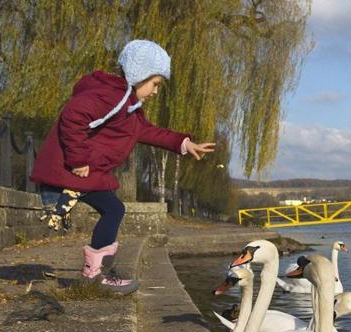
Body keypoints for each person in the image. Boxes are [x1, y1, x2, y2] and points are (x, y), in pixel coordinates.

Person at [31, 39, 215, 294]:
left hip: (86, 173)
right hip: (74, 170)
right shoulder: (112, 96)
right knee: (114, 209)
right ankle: (95, 273)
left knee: (114, 208)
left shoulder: (129, 106)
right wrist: (78, 159)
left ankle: (91, 265)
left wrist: (184, 143)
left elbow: (149, 132)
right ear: (139, 75)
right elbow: (73, 115)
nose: (155, 92)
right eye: (154, 84)